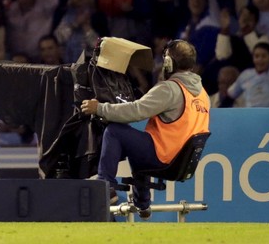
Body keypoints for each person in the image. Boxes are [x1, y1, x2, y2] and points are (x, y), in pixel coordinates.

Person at [80, 39, 210, 220]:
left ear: (168, 63)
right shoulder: (202, 94)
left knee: (116, 131)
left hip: (163, 157)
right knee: (142, 144)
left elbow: (135, 111)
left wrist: (100, 108)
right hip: (180, 162)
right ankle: (143, 203)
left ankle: (105, 186)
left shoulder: (170, 89)